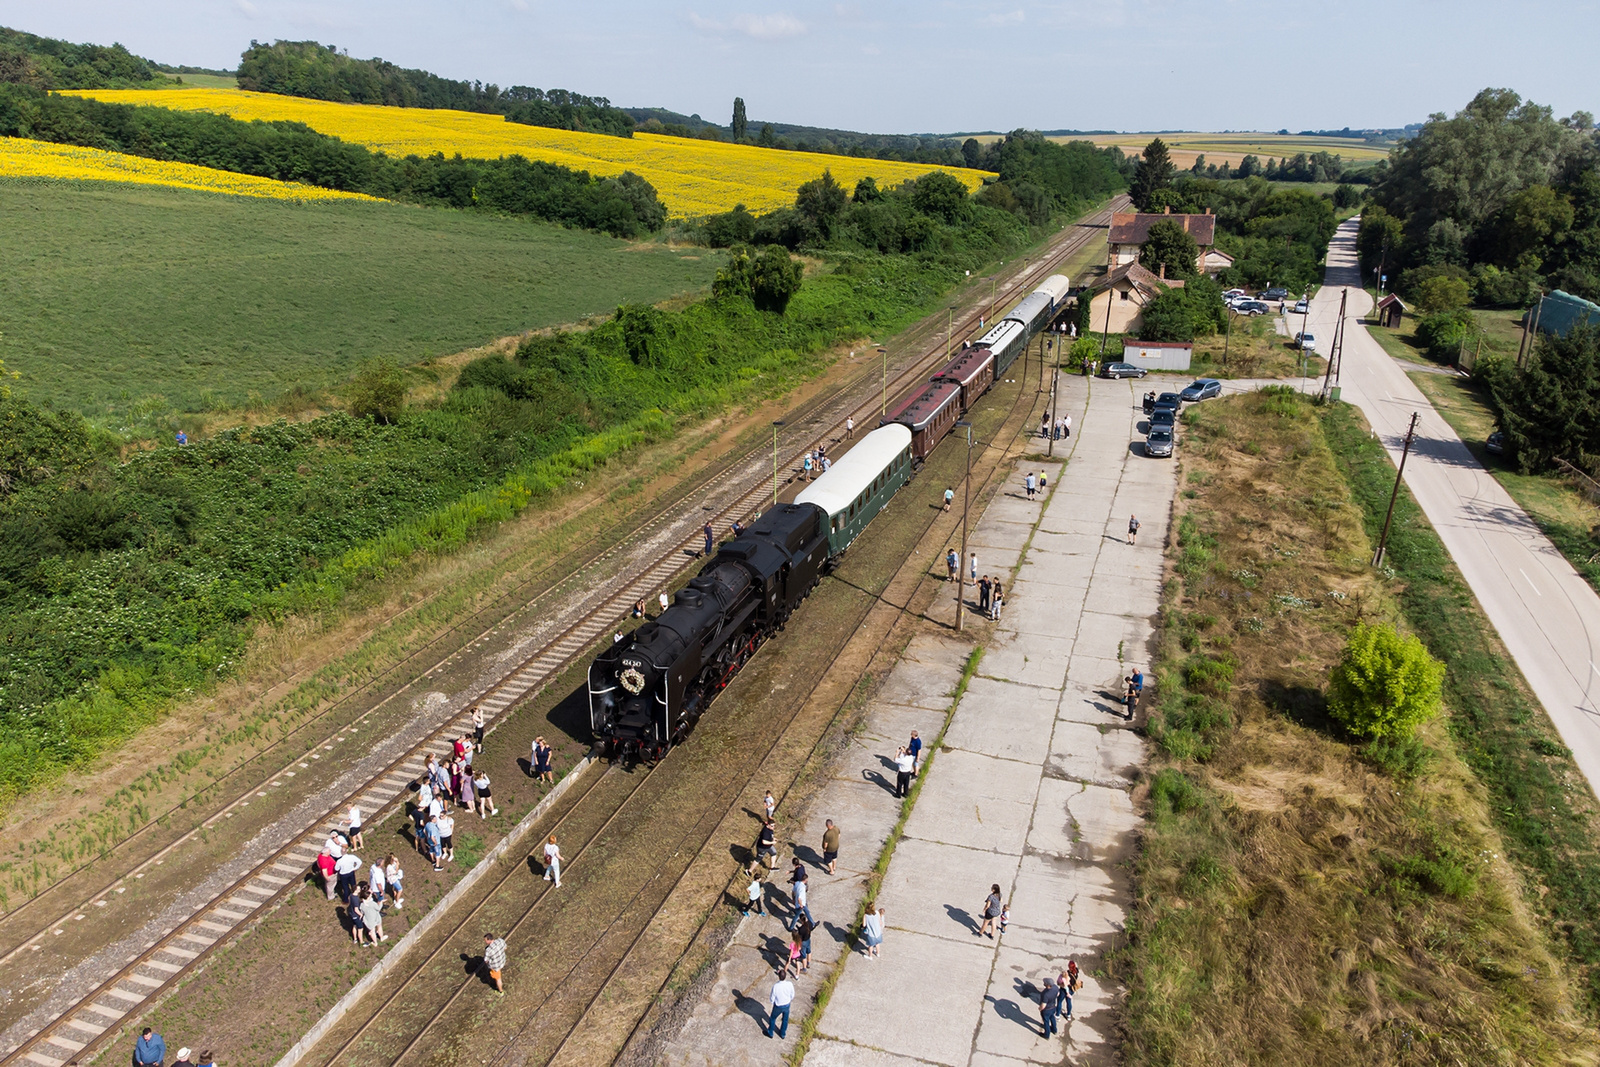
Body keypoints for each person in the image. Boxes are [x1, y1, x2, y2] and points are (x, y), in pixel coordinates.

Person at [765, 968, 795, 1039]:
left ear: (778, 976)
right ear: (785, 976)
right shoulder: (789, 984)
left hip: (778, 1006)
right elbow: (792, 994)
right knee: (785, 1019)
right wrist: (789, 999)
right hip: (787, 1005)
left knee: (772, 1018)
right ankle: (782, 1034)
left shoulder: (776, 986)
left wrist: (772, 1002)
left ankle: (770, 1032)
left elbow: (772, 997)